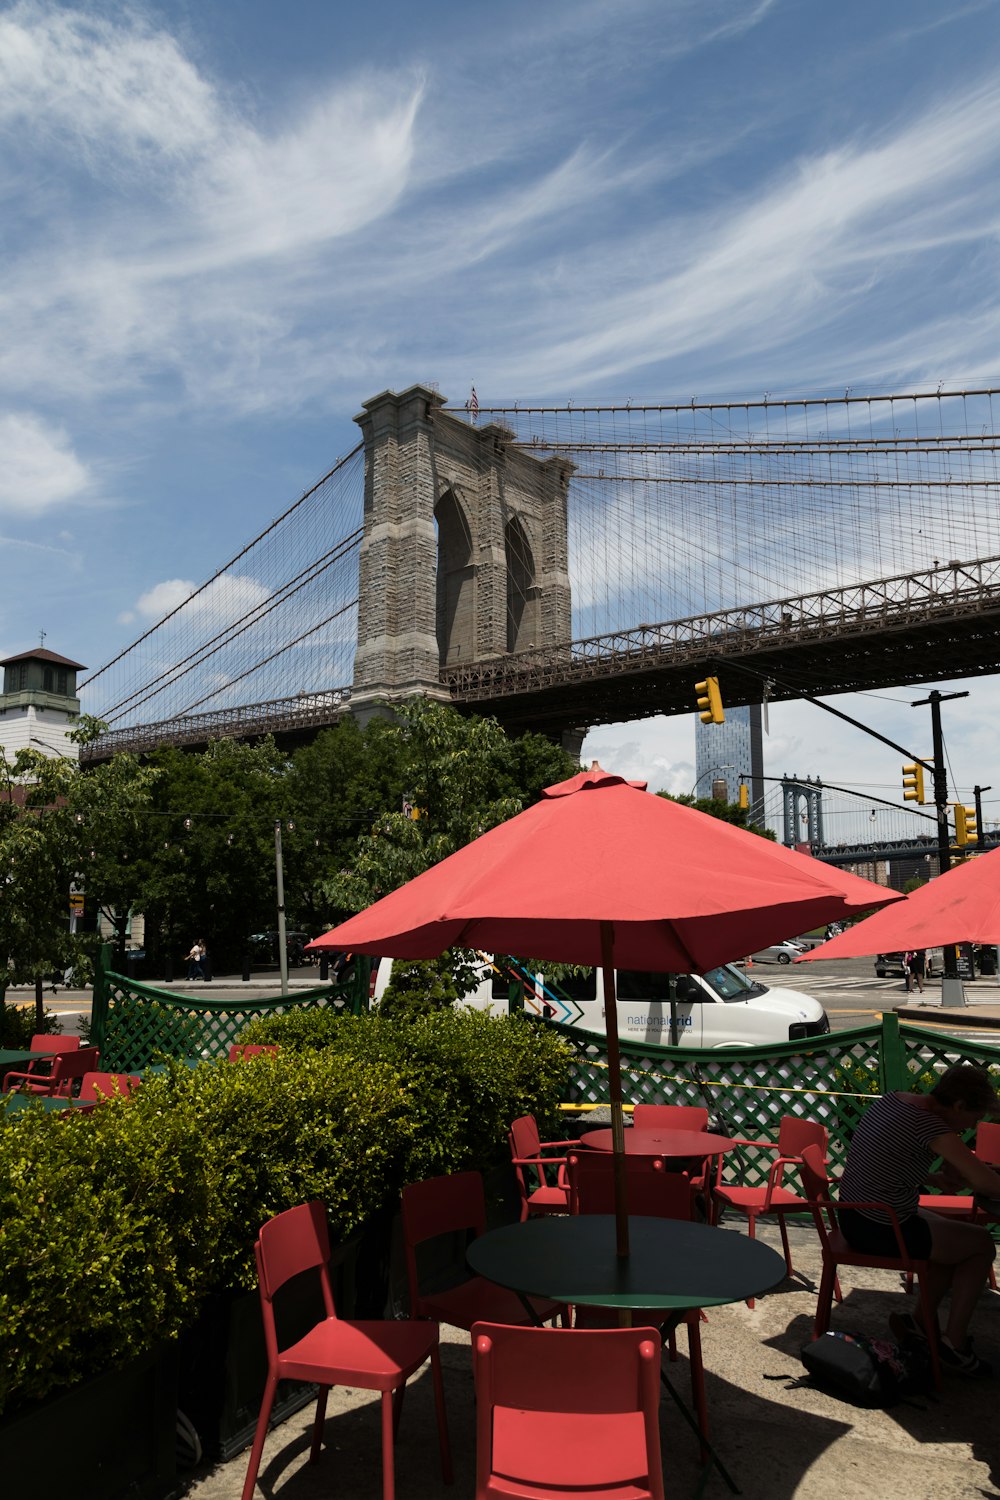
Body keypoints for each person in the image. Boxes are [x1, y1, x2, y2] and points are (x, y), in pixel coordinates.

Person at [838, 1063, 1000, 1376]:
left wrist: (934, 1178)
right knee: (980, 1245)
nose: (970, 1128)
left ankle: (920, 1323)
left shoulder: (894, 1100)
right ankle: (953, 1346)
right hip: (880, 1226)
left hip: (855, 1213)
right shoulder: (931, 1126)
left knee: (956, 1238)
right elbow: (987, 1184)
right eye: (974, 1119)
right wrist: (972, 1174)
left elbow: (884, 1158)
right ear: (959, 1105)